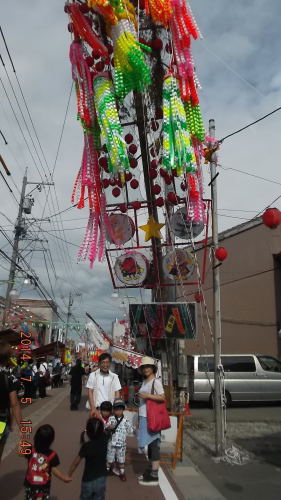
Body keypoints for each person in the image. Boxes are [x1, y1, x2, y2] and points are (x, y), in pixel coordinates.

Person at [137, 356, 165, 487]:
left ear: (153, 368)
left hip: (152, 417)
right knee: (149, 445)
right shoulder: (145, 382)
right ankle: (150, 470)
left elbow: (162, 397)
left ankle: (154, 475)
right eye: (144, 367)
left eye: (148, 367)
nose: (146, 369)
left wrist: (147, 395)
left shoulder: (156, 382)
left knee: (154, 445)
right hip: (144, 417)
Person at [24, 424, 71, 499]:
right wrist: (63, 478)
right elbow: (53, 469)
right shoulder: (52, 455)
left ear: (36, 437)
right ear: (51, 440)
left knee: (30, 497)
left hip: (30, 483)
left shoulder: (30, 449)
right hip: (43, 485)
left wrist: (21, 439)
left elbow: (20, 452)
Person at [68, 417, 107, 500]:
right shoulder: (105, 439)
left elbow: (76, 463)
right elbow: (102, 427)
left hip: (88, 480)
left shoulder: (86, 446)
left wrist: (69, 475)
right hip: (101, 479)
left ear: (88, 432)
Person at [0, 340, 22, 463]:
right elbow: (14, 404)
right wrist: (21, 429)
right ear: (7, 358)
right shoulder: (9, 378)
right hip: (1, 420)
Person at [86, 353, 121, 417]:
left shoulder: (114, 377)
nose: (105, 365)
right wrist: (93, 408)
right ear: (99, 364)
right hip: (97, 410)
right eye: (103, 362)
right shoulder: (93, 375)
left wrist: (114, 408)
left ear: (110, 363)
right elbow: (90, 392)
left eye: (107, 362)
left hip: (110, 411)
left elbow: (117, 393)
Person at [106, 398, 133, 481]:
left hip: (121, 445)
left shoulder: (126, 421)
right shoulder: (111, 419)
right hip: (111, 443)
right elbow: (106, 427)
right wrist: (109, 427)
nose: (118, 411)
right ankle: (106, 470)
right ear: (114, 409)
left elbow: (130, 430)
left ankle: (122, 473)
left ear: (123, 409)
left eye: (120, 409)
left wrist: (134, 427)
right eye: (116, 409)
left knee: (121, 460)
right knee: (109, 459)